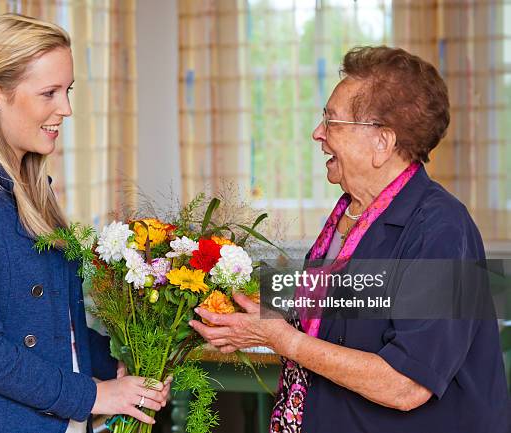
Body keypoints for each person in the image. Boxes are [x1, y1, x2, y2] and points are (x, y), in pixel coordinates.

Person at [190, 46, 510, 433]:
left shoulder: (441, 229)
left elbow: (406, 384)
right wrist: (245, 300)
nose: (318, 133)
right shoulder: (351, 212)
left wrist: (281, 340)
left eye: (332, 121)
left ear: (382, 142)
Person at [0, 13, 169, 433]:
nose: (65, 109)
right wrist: (94, 395)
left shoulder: (34, 190)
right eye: (48, 92)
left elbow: (54, 326)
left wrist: (124, 362)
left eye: (67, 91)